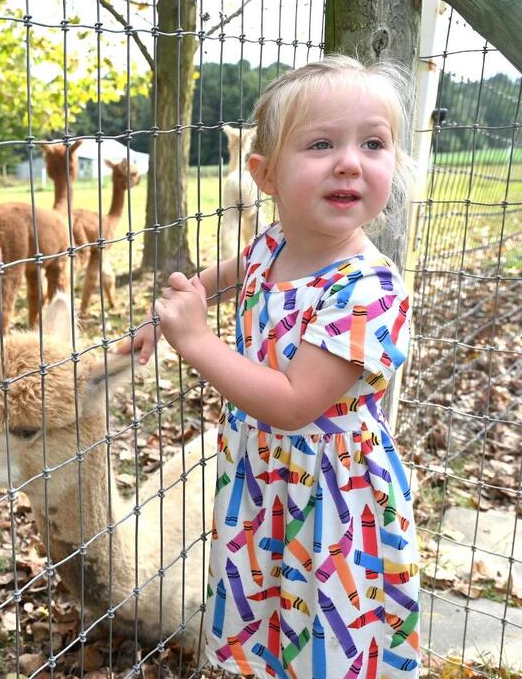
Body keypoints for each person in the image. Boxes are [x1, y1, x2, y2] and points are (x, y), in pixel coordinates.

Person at [120, 55, 420, 677]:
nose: (349, 161)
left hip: (331, 497)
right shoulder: (272, 244)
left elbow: (291, 402)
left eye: (373, 143)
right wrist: (167, 313)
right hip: (262, 481)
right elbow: (213, 279)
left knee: (324, 629)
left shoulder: (369, 289)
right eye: (320, 144)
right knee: (266, 619)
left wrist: (196, 341)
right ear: (264, 175)